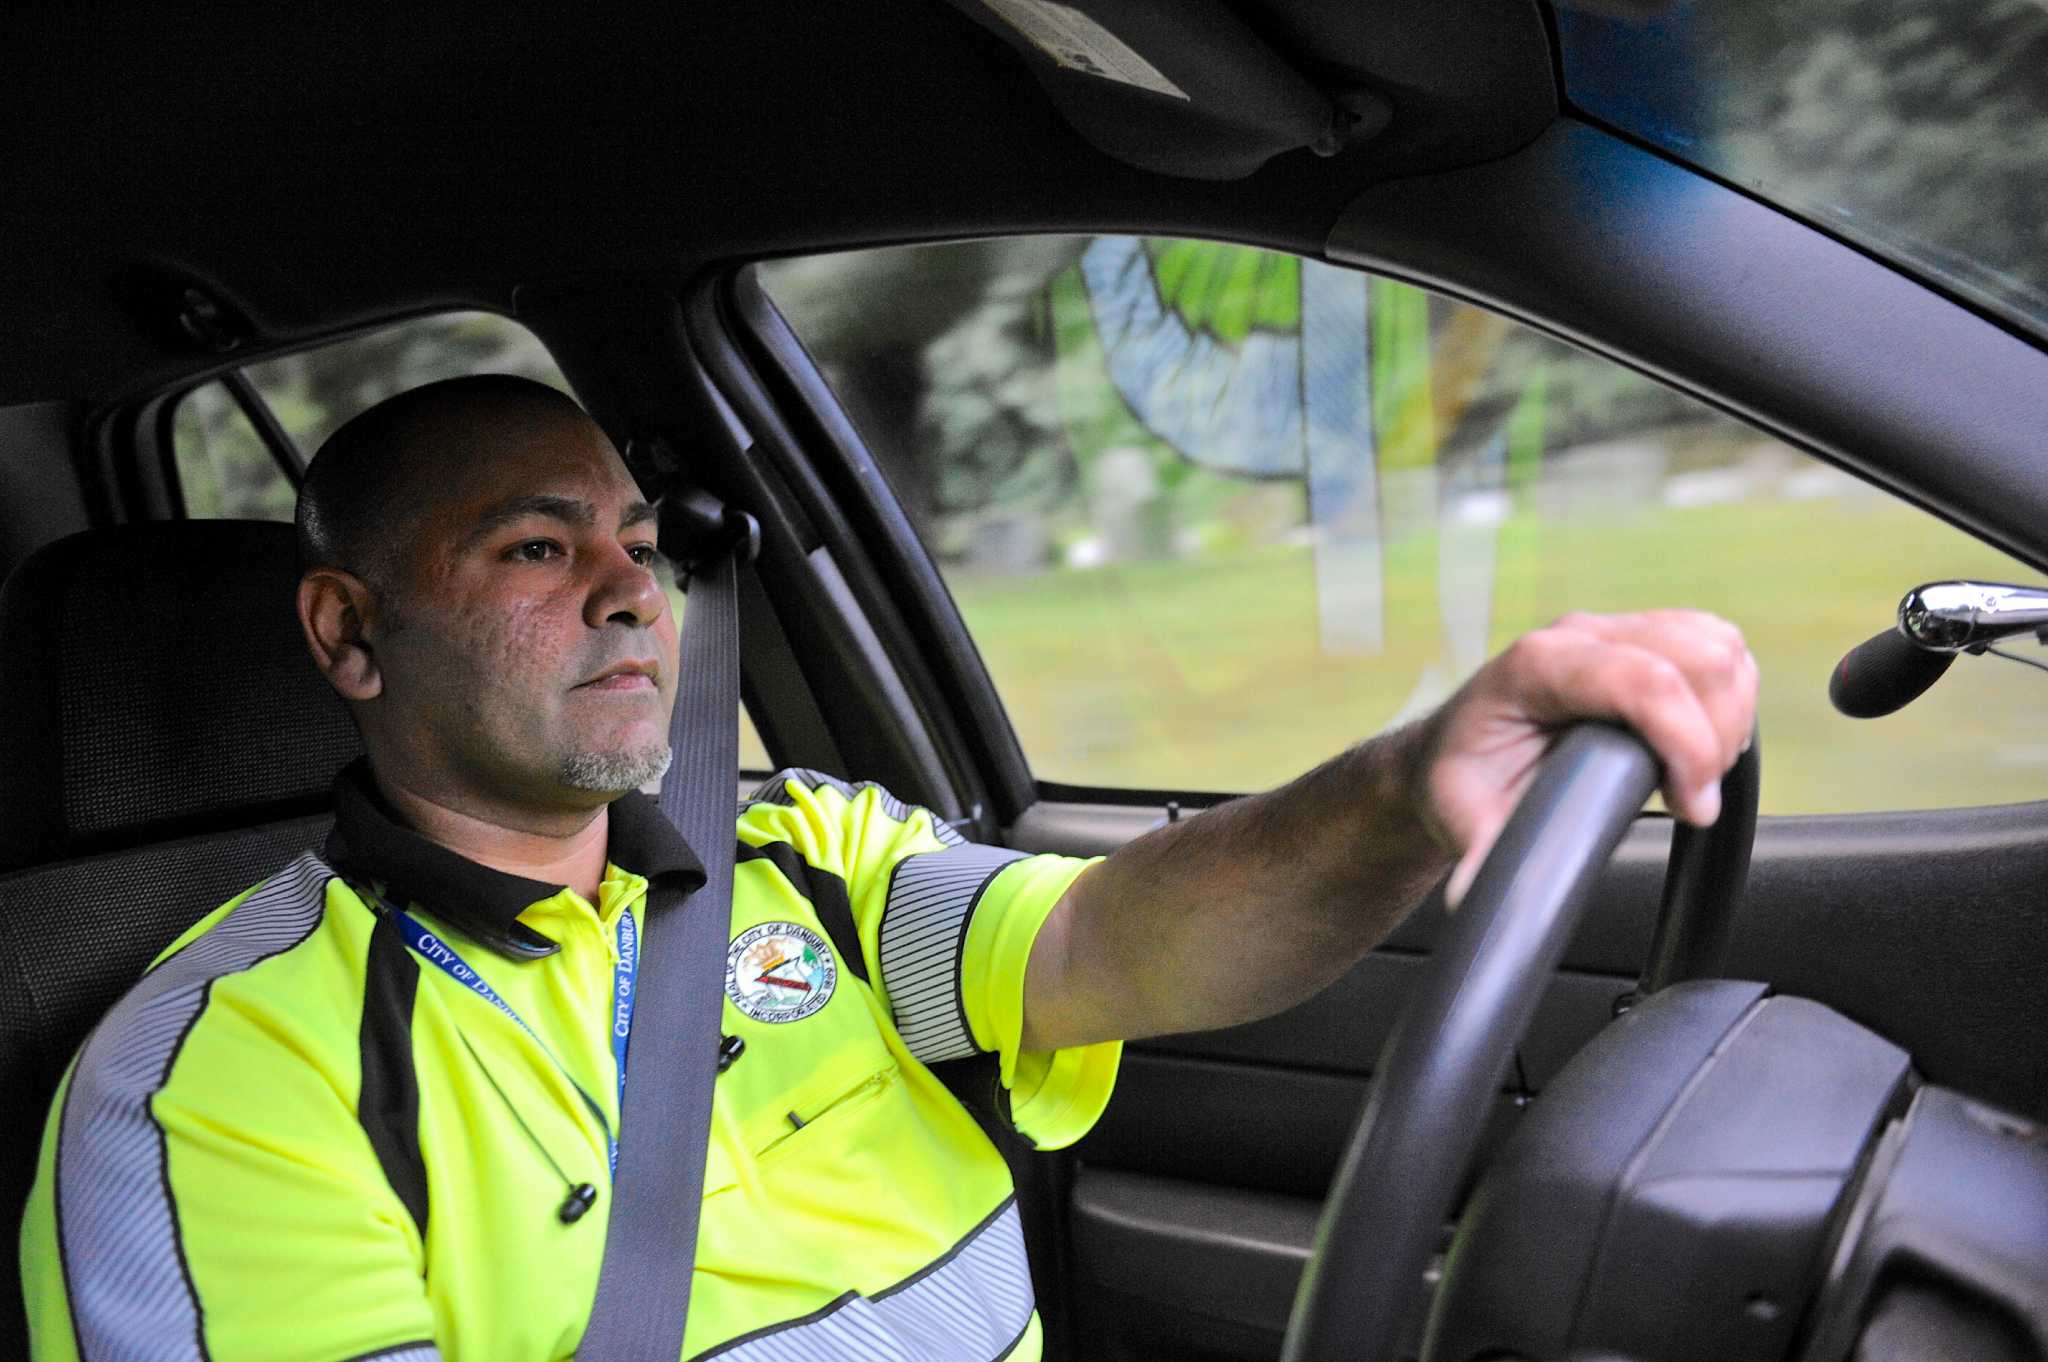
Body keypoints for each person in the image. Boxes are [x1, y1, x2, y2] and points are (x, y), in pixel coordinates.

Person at [20, 375, 1757, 1362]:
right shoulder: (218, 1082)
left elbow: (1115, 940)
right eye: (538, 548)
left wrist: (1405, 780)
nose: (632, 592)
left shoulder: (811, 857)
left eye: (641, 544)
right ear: (349, 632)